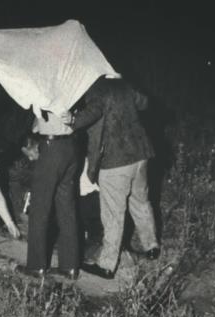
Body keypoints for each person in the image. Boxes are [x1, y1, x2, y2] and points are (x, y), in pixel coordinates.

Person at [65, 78, 161, 279]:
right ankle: (152, 247)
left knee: (112, 214)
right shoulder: (124, 85)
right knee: (141, 202)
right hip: (140, 154)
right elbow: (144, 102)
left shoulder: (97, 90)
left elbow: (91, 114)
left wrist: (71, 120)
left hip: (115, 161)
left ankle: (107, 265)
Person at [15, 110, 80, 279]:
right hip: (71, 148)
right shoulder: (70, 92)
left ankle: (36, 266)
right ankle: (69, 266)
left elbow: (36, 128)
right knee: (67, 209)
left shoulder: (44, 94)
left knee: (39, 209)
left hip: (51, 148)